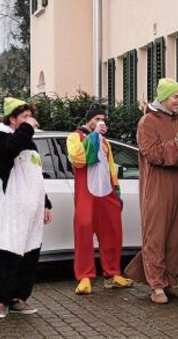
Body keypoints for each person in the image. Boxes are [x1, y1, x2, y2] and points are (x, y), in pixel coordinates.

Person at [125, 78, 178, 304]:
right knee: (156, 234)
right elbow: (153, 154)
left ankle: (170, 281)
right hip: (156, 186)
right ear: (164, 97)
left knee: (176, 234)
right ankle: (156, 285)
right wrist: (177, 142)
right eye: (176, 96)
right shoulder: (147, 122)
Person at [0, 97, 52, 319]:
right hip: (11, 211)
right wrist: (26, 128)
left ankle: (19, 298)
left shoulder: (30, 144)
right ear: (12, 120)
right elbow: (11, 149)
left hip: (32, 211)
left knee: (29, 257)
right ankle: (0, 301)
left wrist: (46, 204)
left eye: (30, 117)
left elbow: (36, 178)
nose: (30, 121)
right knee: (7, 255)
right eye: (24, 117)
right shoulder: (0, 138)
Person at [67, 103, 134, 294]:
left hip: (107, 194)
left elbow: (111, 168)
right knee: (83, 233)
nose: (100, 122)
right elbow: (79, 159)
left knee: (112, 233)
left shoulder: (106, 143)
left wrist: (117, 192)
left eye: (102, 120)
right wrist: (95, 135)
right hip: (86, 196)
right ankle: (85, 276)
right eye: (96, 119)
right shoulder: (74, 137)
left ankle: (113, 274)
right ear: (89, 120)